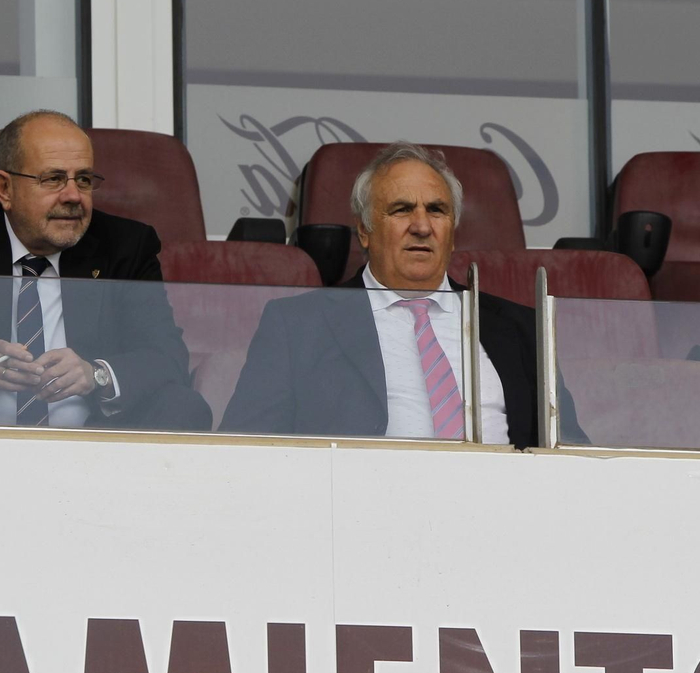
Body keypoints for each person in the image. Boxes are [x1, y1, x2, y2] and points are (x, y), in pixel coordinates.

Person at [221, 141, 584, 447]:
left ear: (452, 232)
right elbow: (243, 450)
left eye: (437, 211)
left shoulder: (521, 328)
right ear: (364, 229)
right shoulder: (297, 325)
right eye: (402, 210)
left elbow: (572, 452)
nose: (422, 226)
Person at [0, 110, 209, 430]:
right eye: (53, 179)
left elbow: (166, 357)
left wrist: (96, 374)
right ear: (5, 189)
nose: (73, 196)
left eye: (83, 179)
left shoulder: (125, 246)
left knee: (184, 407)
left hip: (96, 445)